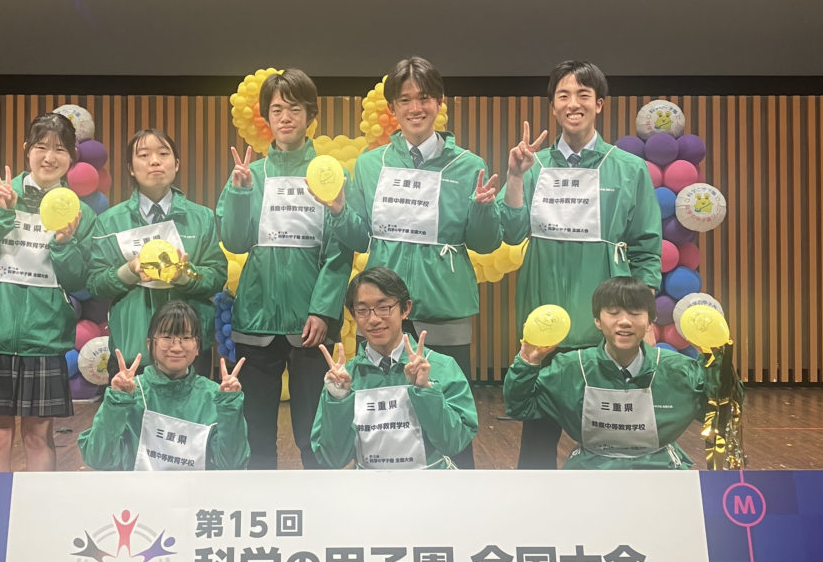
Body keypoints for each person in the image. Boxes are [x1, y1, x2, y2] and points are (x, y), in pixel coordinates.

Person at [317, 56, 500, 468]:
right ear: (392, 108)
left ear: (439, 102)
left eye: (424, 98)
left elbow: (485, 243)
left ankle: (458, 496)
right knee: (383, 412)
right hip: (383, 310)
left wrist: (484, 209)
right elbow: (358, 237)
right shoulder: (371, 164)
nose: (415, 108)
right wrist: (340, 211)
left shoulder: (468, 165)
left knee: (448, 415)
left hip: (446, 307)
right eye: (405, 100)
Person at [500, 60, 661, 469]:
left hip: (606, 324)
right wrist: (515, 178)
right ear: (553, 106)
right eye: (564, 95)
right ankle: (536, 508)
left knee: (611, 435)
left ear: (599, 104)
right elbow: (511, 234)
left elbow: (646, 247)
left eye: (583, 95)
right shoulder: (532, 165)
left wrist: (643, 316)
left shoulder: (629, 169)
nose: (573, 104)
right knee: (537, 442)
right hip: (544, 319)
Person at [216, 68, 352, 470]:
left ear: (310, 115)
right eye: (277, 110)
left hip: (311, 324)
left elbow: (341, 249)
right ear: (266, 117)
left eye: (294, 108)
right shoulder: (250, 174)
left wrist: (323, 310)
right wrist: (240, 193)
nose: (285, 117)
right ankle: (262, 504)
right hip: (255, 319)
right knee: (255, 434)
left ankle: (320, 505)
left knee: (314, 434)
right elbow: (235, 241)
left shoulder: (329, 174)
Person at [0, 112, 94, 472]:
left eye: (60, 149)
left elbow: (79, 280)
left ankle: (38, 508)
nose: (49, 157)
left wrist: (64, 243)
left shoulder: (79, 212)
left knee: (38, 437)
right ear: (26, 149)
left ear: (72, 157)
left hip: (44, 336)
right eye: (41, 147)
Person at [503, 277, 734, 468]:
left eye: (635, 313)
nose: (624, 321)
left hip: (661, 470)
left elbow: (723, 413)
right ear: (597, 320)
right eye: (613, 312)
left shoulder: (679, 369)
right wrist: (527, 363)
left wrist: (717, 364)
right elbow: (521, 406)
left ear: (650, 322)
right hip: (589, 472)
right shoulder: (569, 368)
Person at [86, 128, 226, 378]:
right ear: (131, 168)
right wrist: (129, 271)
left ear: (176, 164)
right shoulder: (110, 222)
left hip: (188, 352)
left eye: (163, 153)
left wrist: (184, 275)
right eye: (143, 155)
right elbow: (95, 284)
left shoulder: (201, 217)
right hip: (132, 348)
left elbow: (217, 276)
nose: (154, 161)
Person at [311, 268, 478, 470]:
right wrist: (339, 399)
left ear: (405, 309)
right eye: (362, 310)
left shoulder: (441, 367)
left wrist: (425, 390)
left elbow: (454, 443)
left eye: (384, 307)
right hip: (369, 486)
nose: (373, 319)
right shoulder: (344, 379)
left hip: (430, 483)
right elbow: (332, 458)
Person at [79, 302, 249, 471]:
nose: (176, 347)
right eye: (167, 337)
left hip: (195, 488)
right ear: (149, 344)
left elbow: (232, 465)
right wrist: (117, 402)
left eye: (186, 338)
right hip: (140, 488)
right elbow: (98, 458)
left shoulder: (213, 396)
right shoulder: (131, 393)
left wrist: (229, 407)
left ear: (198, 346)